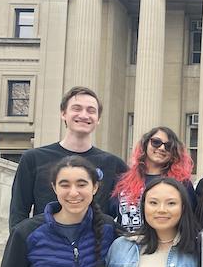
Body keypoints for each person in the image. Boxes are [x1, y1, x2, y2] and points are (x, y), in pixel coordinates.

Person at [9, 86, 128, 231]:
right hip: (45, 247)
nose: (84, 115)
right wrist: (19, 246)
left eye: (91, 110)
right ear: (63, 114)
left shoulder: (114, 165)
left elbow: (125, 213)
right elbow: (18, 211)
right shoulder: (33, 158)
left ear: (98, 119)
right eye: (77, 108)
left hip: (96, 248)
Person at [109, 127, 196, 232]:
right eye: (156, 142)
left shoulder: (182, 183)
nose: (162, 148)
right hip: (126, 244)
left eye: (168, 146)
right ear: (145, 144)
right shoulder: (123, 181)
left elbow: (189, 221)